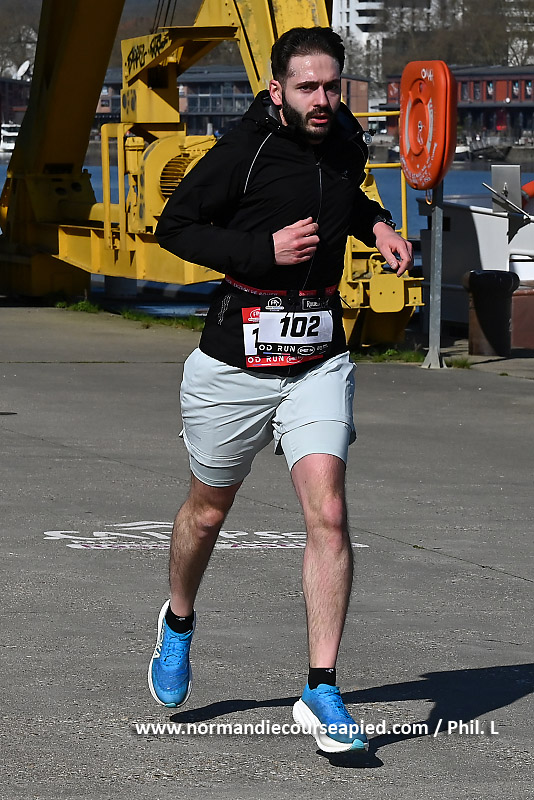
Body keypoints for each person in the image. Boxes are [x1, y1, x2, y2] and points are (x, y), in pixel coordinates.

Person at [149, 26, 412, 753]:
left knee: (328, 511)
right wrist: (259, 251)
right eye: (307, 88)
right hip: (234, 361)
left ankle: (321, 688)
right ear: (277, 90)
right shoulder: (243, 149)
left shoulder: (344, 138)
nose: (323, 99)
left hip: (318, 358)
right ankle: (178, 619)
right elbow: (175, 226)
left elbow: (347, 198)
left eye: (331, 85)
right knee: (208, 512)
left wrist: (378, 227)